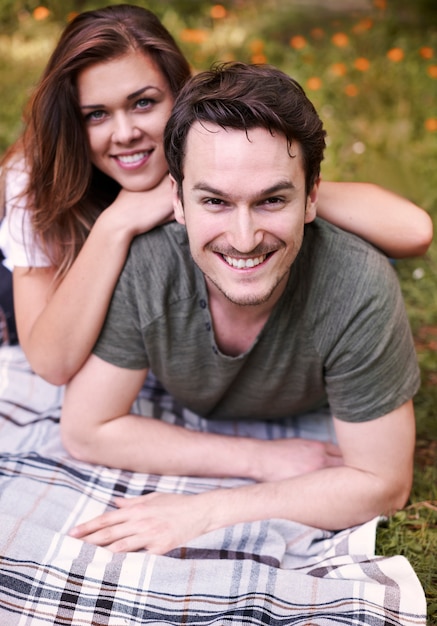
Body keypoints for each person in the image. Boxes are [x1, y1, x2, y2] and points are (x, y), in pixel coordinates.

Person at [61, 62, 421, 556]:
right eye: (215, 202)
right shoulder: (148, 262)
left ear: (312, 196)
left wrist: (207, 511)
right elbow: (86, 430)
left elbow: (384, 483)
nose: (244, 238)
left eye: (272, 200)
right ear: (178, 201)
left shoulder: (357, 284)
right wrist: (261, 459)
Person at [0, 5, 433, 382]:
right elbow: (51, 363)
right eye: (96, 114)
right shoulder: (36, 178)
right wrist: (118, 222)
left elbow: (414, 233)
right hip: (45, 299)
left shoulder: (214, 145)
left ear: (180, 96)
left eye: (144, 103)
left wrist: (277, 196)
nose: (125, 133)